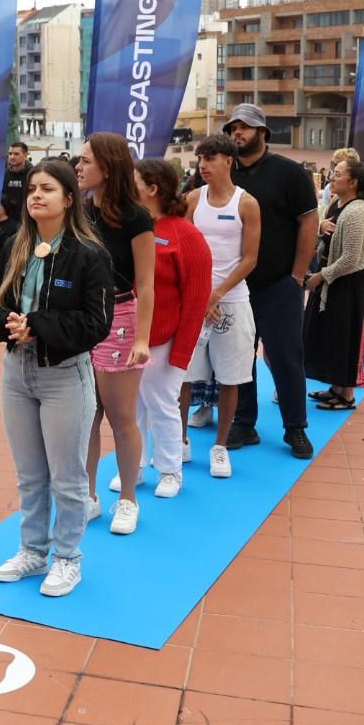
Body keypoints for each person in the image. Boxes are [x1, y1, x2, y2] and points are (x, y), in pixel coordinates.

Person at [0, 159, 112, 598]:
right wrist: (8, 325)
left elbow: (96, 323)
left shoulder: (89, 254)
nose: (36, 195)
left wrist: (37, 325)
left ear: (69, 199)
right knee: (30, 475)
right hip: (16, 373)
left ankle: (67, 558)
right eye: (32, 189)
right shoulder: (14, 245)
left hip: (65, 376)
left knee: (68, 478)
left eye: (48, 189)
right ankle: (33, 551)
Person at [226, 104, 318, 460]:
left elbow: (309, 222)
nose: (237, 132)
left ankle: (295, 427)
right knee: (239, 357)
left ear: (263, 132)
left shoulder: (290, 173)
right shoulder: (223, 172)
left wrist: (297, 274)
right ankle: (243, 422)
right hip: (235, 285)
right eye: (232, 127)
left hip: (279, 284)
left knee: (286, 358)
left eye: (245, 127)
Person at [77, 132, 155, 535]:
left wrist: (142, 339)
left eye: (85, 160)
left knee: (121, 418)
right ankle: (88, 496)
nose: (78, 167)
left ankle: (128, 499)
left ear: (107, 168)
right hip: (82, 320)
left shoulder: (135, 217)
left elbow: (147, 283)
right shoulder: (78, 211)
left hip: (121, 319)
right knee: (86, 416)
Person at [183, 134, 261, 478]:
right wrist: (201, 294)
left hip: (232, 301)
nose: (203, 165)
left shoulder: (247, 204)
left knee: (231, 378)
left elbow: (250, 258)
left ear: (228, 161)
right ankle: (179, 441)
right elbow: (182, 250)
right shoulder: (192, 200)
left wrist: (216, 294)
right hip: (194, 302)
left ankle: (219, 446)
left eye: (210, 158)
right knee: (183, 375)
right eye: (201, 158)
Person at [132, 159, 210, 498]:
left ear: (153, 189)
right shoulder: (133, 227)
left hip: (164, 338)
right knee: (131, 406)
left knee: (162, 404)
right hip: (128, 335)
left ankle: (169, 470)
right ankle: (134, 466)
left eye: (133, 182)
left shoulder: (185, 234)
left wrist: (181, 353)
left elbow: (197, 299)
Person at [305, 159, 364, 410]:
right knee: (332, 335)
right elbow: (327, 235)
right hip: (333, 279)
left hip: (346, 284)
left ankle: (346, 394)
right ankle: (336, 387)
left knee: (344, 336)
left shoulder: (357, 211)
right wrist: (321, 227)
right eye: (333, 173)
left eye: (338, 174)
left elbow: (351, 259)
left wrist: (322, 275)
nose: (332, 177)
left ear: (353, 182)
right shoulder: (338, 204)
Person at [2, 141, 31, 210]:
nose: (12, 157)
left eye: (16, 154)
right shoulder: (5, 174)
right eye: (10, 154)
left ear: (25, 155)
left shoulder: (32, 174)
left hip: (27, 214)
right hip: (8, 214)